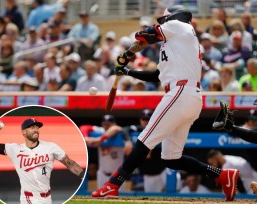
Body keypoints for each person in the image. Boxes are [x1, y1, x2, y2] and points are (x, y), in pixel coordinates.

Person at [91, 5, 239, 201]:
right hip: (189, 96)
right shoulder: (176, 45)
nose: (163, 23)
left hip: (180, 93)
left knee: (144, 140)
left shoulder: (179, 26)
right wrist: (126, 71)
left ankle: (113, 184)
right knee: (171, 158)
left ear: (174, 16)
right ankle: (221, 175)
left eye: (164, 19)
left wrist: (127, 54)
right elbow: (156, 75)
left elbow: (144, 34)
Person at [0, 118, 85, 203]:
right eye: (32, 127)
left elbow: (69, 163)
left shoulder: (51, 147)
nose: (36, 130)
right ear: (24, 132)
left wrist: (82, 175)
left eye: (37, 127)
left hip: (47, 198)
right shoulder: (15, 148)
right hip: (28, 198)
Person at [81, 115, 133, 191]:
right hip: (102, 173)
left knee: (118, 198)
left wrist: (99, 140)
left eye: (109, 124)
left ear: (114, 124)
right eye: (105, 124)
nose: (107, 126)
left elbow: (116, 128)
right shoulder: (101, 131)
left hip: (117, 175)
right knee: (101, 198)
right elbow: (84, 127)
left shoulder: (119, 131)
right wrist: (85, 137)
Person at [122, 109, 167, 192]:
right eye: (144, 119)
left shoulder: (159, 129)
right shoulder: (138, 129)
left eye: (148, 119)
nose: (146, 121)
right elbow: (124, 130)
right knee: (153, 199)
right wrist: (128, 141)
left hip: (164, 172)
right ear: (140, 120)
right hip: (149, 176)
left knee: (176, 193)